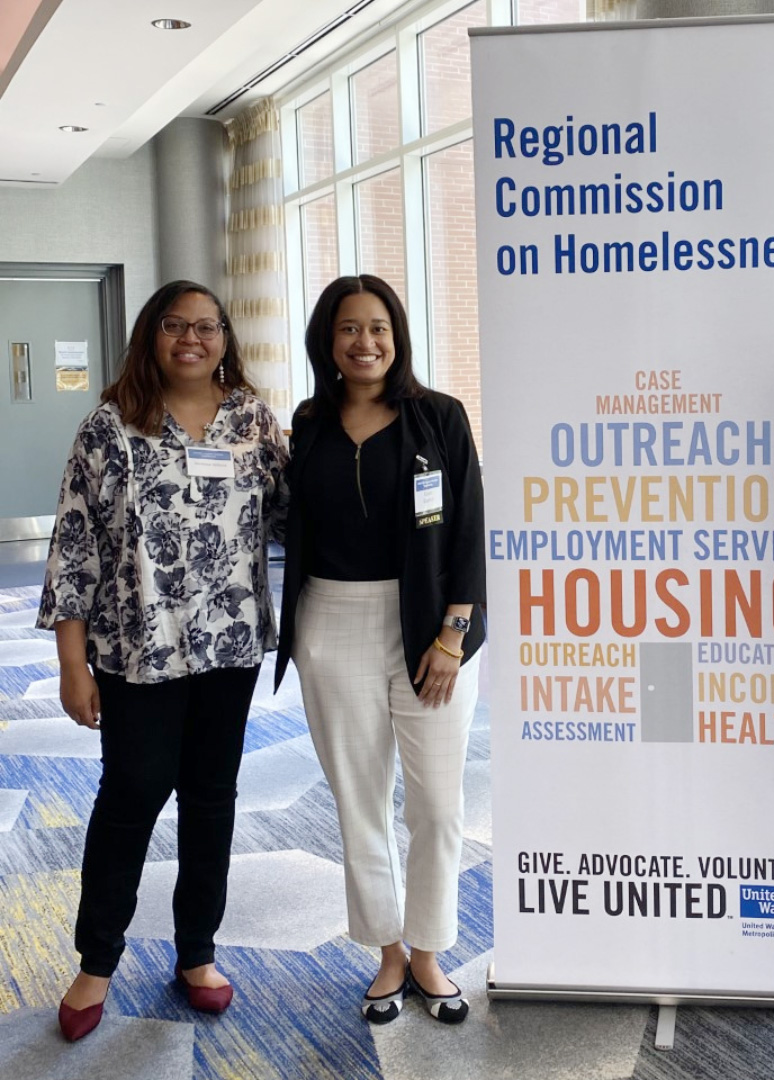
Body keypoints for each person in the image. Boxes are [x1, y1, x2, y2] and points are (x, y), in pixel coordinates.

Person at [38, 280, 289, 1041]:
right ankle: (97, 960)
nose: (191, 338)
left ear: (225, 338)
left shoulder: (252, 419)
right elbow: (75, 549)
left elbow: (296, 512)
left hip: (230, 645)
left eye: (206, 327)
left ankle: (197, 952)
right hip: (134, 650)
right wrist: (71, 663)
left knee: (212, 799)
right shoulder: (110, 428)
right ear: (151, 335)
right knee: (132, 797)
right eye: (175, 325)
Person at [276, 275, 485, 1026]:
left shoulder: (439, 418)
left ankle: (428, 949)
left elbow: (467, 533)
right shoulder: (308, 422)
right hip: (331, 622)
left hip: (432, 626)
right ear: (327, 342)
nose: (364, 343)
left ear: (397, 336)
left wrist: (453, 637)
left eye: (378, 328)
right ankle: (388, 951)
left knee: (435, 804)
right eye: (347, 330)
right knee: (359, 801)